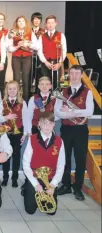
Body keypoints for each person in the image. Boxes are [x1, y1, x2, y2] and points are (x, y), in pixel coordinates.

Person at [55, 65, 94, 201]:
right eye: (72, 73)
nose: (75, 76)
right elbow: (57, 112)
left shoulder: (87, 92)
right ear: (69, 75)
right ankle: (66, 185)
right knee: (64, 158)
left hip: (81, 130)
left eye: (77, 73)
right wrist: (66, 114)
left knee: (80, 159)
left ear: (82, 75)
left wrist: (72, 112)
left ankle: (77, 187)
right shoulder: (62, 91)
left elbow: (89, 111)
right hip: (66, 129)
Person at [22, 112, 65, 215]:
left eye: (50, 123)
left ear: (54, 124)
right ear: (39, 124)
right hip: (35, 178)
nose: (47, 126)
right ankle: (27, 190)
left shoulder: (59, 141)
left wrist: (53, 184)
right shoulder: (32, 139)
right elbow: (26, 164)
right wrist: (35, 184)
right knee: (30, 210)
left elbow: (61, 165)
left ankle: (37, 193)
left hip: (50, 180)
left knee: (51, 211)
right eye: (44, 123)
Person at [0, 80, 29, 188]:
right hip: (5, 133)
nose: (12, 91)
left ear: (18, 90)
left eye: (14, 89)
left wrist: (24, 134)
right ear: (7, 90)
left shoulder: (22, 102)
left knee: (16, 156)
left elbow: (26, 119)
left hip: (18, 133)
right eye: (10, 89)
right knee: (6, 155)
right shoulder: (2, 102)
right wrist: (6, 117)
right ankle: (5, 177)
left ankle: (14, 178)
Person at [7, 15, 39, 102]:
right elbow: (9, 48)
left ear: (25, 23)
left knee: (26, 79)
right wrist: (18, 46)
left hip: (27, 57)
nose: (21, 23)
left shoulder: (30, 33)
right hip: (16, 57)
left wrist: (28, 44)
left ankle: (26, 100)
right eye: (19, 21)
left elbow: (37, 46)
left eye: (22, 21)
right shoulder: (12, 32)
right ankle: (16, 100)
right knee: (16, 79)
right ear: (16, 23)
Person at [37, 15, 67, 90]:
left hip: (57, 62)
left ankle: (56, 100)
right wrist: (46, 62)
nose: (50, 25)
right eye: (48, 23)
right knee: (45, 84)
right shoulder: (42, 36)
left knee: (56, 84)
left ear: (55, 23)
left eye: (52, 23)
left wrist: (60, 63)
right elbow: (39, 51)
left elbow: (64, 50)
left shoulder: (61, 35)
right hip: (45, 63)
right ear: (46, 24)